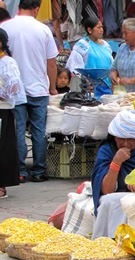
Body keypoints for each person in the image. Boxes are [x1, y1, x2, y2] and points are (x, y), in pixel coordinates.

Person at [1, 0, 59, 184]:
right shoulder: (43, 29)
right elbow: (51, 62)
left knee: (18, 130)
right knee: (38, 130)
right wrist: (52, 87)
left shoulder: (5, 27)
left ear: (18, 7)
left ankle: (20, 171)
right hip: (38, 88)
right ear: (36, 9)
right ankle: (39, 170)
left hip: (15, 90)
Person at [91, 109, 135, 239]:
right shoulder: (107, 150)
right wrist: (116, 162)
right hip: (112, 197)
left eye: (131, 140)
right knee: (109, 201)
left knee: (130, 202)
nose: (125, 143)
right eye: (121, 138)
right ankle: (107, 240)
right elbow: (106, 190)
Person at [0, 29, 27, 199]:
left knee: (1, 148)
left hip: (2, 109)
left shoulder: (8, 62)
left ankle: (1, 185)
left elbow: (13, 88)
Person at [65, 16, 113, 97]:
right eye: (98, 27)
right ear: (89, 30)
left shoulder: (106, 45)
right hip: (90, 87)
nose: (101, 30)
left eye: (102, 27)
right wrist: (84, 83)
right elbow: (74, 66)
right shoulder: (82, 45)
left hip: (107, 85)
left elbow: (111, 62)